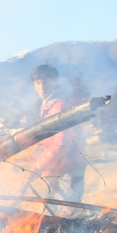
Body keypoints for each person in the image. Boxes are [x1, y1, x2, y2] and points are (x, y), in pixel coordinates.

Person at [31, 63, 88, 201]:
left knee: (67, 216)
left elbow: (62, 144)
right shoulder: (47, 105)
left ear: (54, 81)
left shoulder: (60, 105)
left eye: (45, 82)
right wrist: (48, 171)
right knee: (49, 216)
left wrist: (37, 167)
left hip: (69, 169)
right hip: (56, 169)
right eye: (37, 82)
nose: (41, 87)